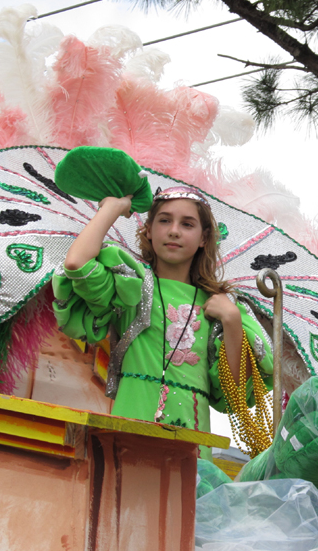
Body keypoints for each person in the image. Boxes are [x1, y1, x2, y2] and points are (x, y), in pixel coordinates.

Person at [52, 185, 273, 460]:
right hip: (131, 421)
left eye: (187, 223)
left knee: (181, 500)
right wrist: (112, 208)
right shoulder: (131, 285)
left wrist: (231, 320)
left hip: (192, 437)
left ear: (204, 237)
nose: (174, 231)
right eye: (164, 220)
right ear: (148, 230)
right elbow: (76, 264)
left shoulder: (222, 307)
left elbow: (233, 393)